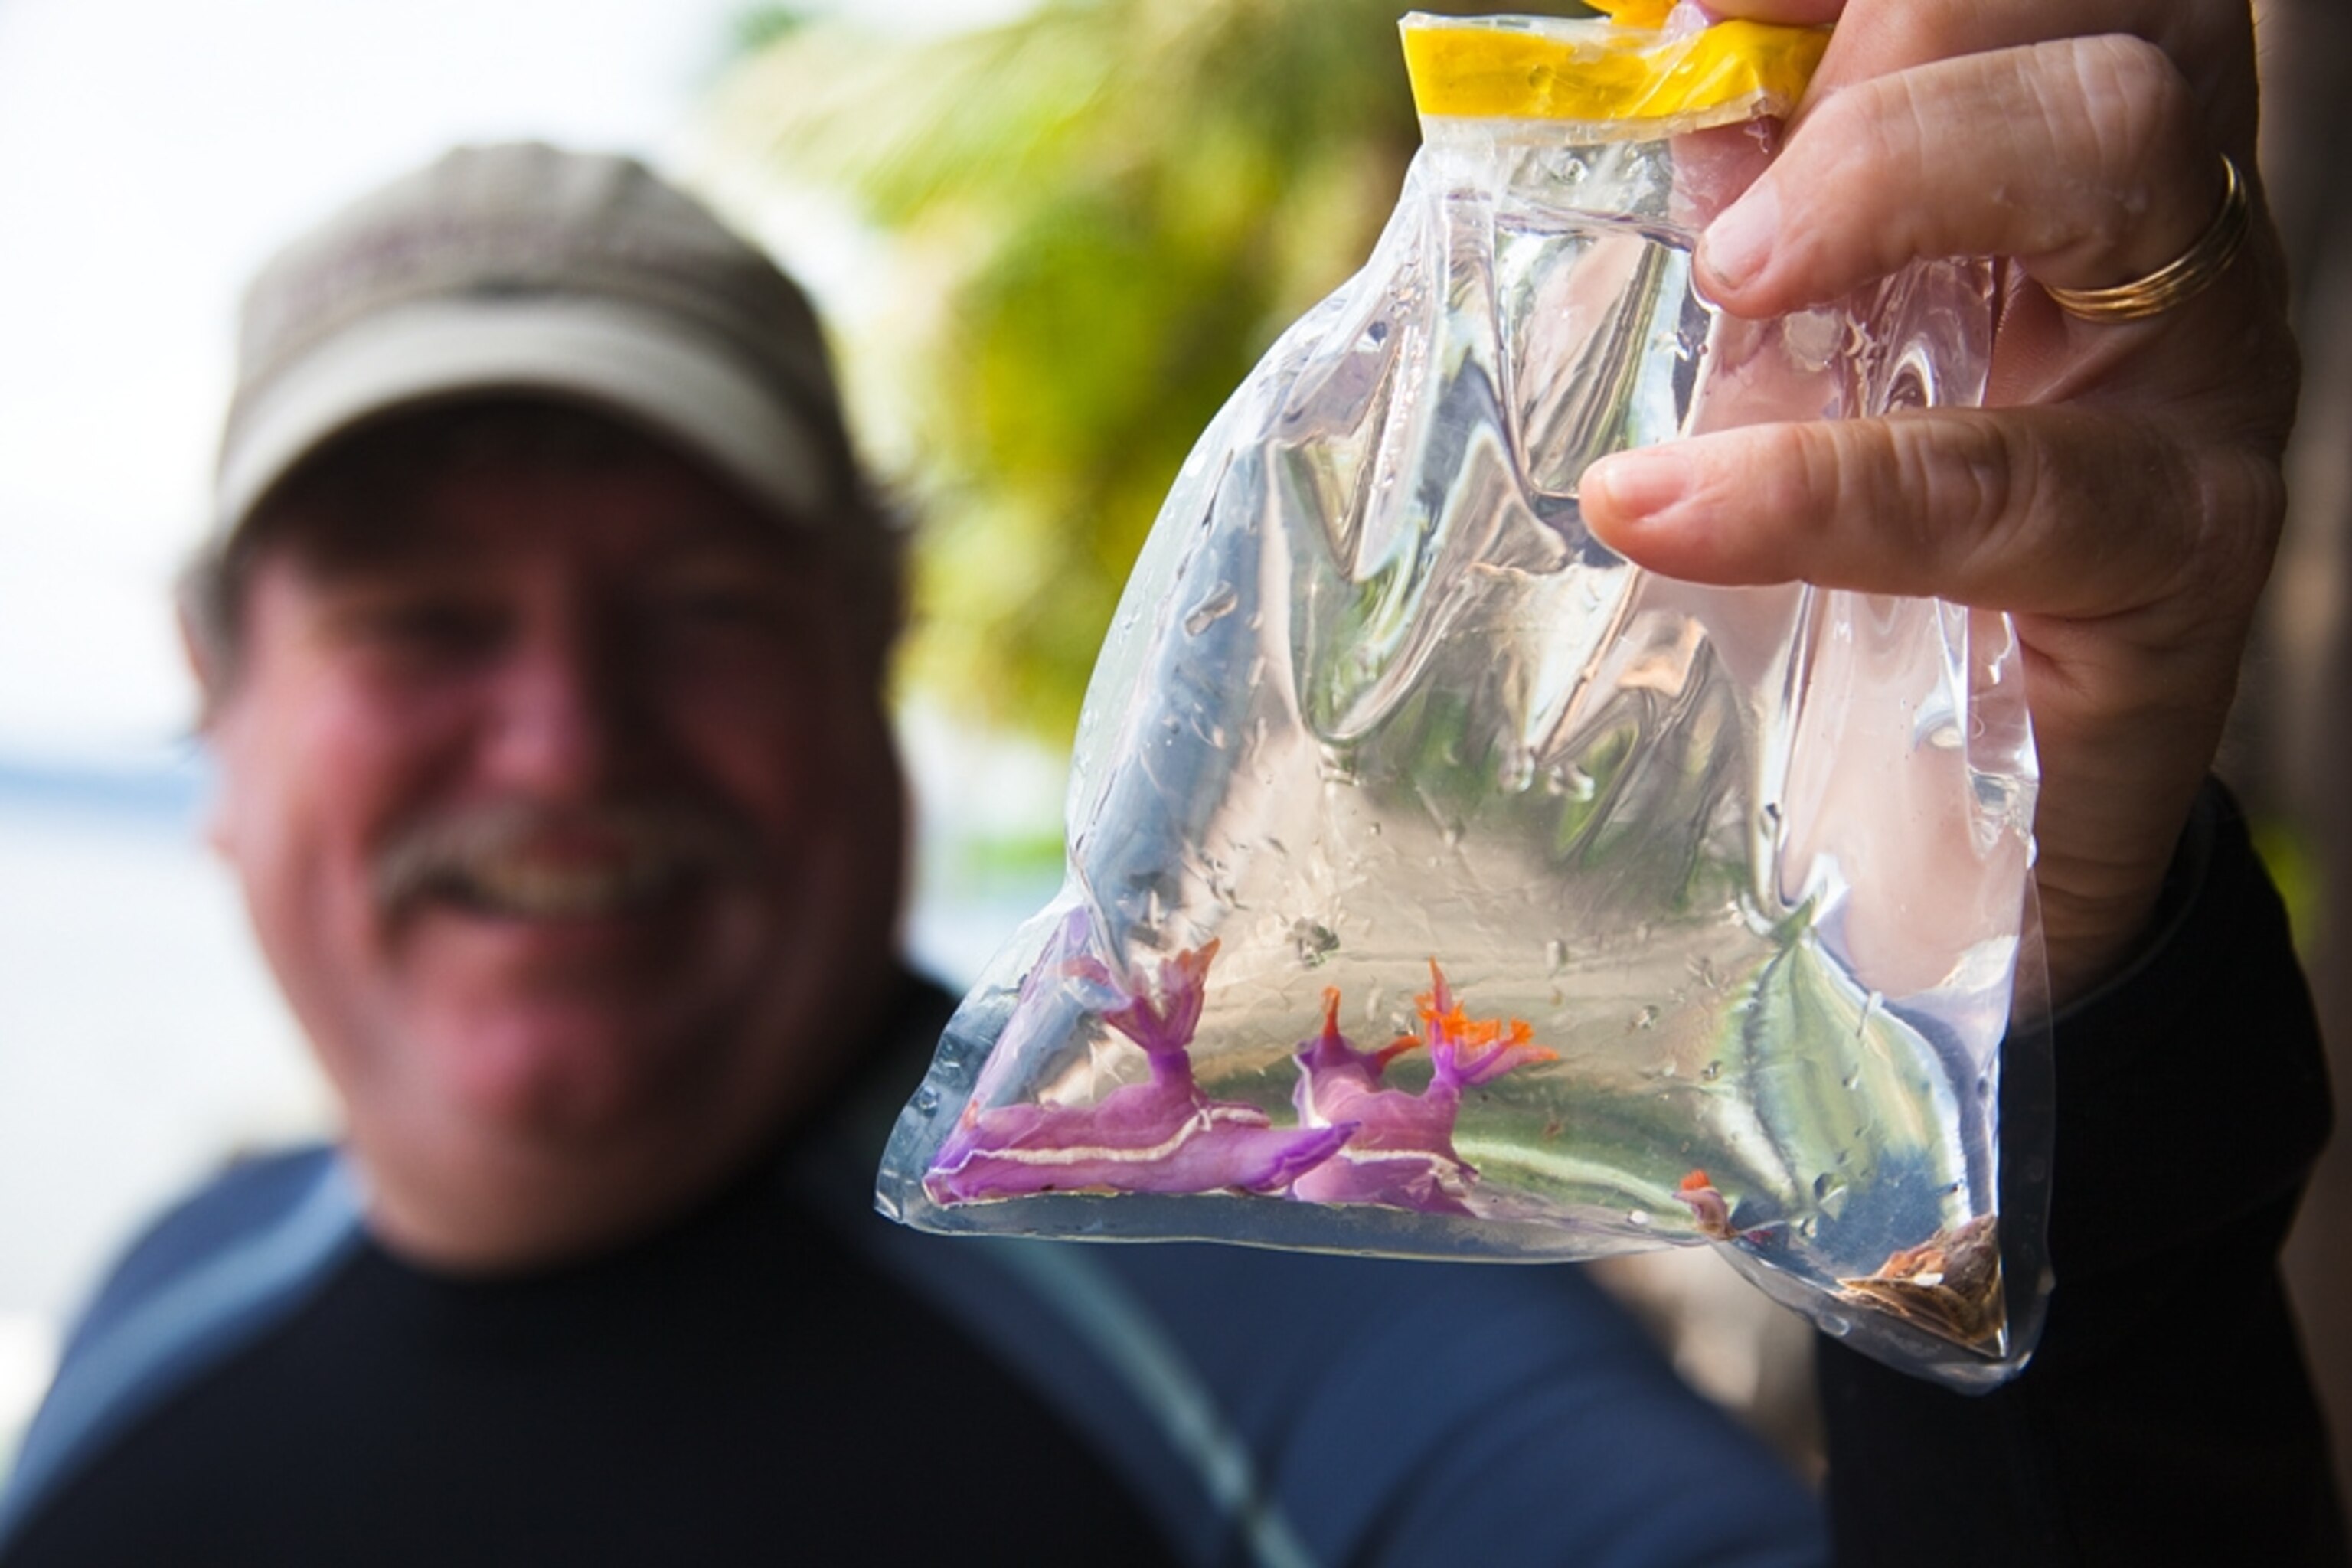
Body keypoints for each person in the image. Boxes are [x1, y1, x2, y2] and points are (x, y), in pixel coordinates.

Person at [0, 0, 2340, 1562]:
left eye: (698, 606)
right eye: (418, 621)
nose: (559, 733)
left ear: (867, 650)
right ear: (216, 710)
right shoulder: (153, 1321)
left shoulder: (1312, 1330)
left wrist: (2009, 1008)